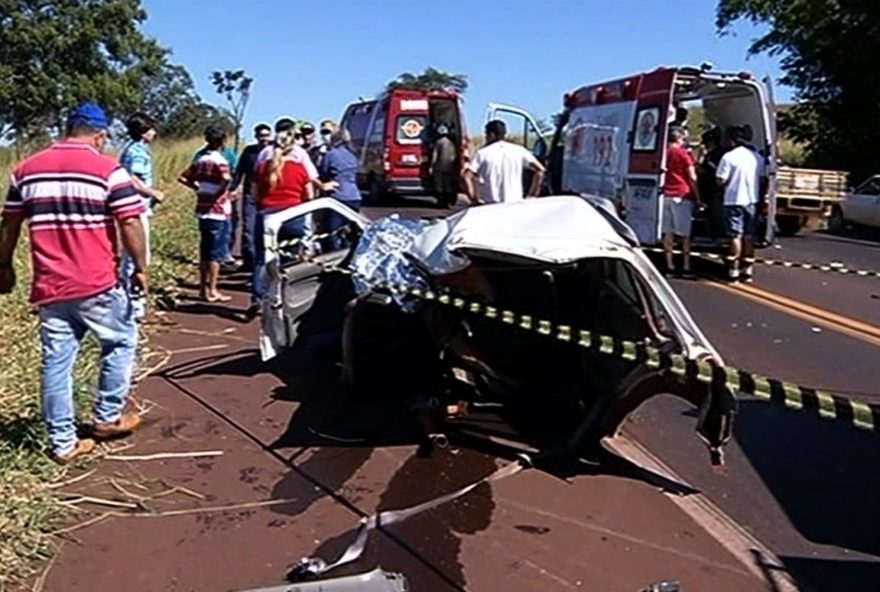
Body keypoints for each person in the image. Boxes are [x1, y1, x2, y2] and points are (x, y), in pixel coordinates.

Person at [0, 102, 147, 464]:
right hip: (96, 281)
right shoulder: (109, 170)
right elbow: (129, 223)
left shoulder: (24, 171)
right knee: (120, 341)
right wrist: (141, 266)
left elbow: (10, 224)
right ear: (99, 135)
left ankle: (62, 443)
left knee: (56, 362)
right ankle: (107, 416)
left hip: (51, 284)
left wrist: (3, 265)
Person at [247, 122, 336, 319]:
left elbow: (253, 193)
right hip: (292, 214)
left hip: (268, 214)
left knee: (262, 259)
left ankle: (258, 297)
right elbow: (309, 193)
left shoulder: (263, 164)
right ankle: (286, 299)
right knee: (291, 260)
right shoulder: (299, 165)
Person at [178, 125, 234, 302]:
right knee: (216, 254)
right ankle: (213, 289)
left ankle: (203, 288)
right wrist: (221, 192)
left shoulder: (200, 159)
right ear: (222, 141)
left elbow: (182, 177)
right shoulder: (220, 160)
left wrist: (199, 189)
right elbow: (226, 178)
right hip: (217, 210)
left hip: (202, 209)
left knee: (205, 251)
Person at [118, 112, 164, 318]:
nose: (154, 133)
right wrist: (153, 193)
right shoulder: (137, 152)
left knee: (132, 254)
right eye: (151, 129)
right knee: (138, 255)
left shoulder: (134, 149)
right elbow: (133, 179)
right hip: (137, 207)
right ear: (143, 131)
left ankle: (129, 298)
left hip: (137, 206)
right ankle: (133, 302)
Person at [717, 125, 765, 283]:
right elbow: (762, 177)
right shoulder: (757, 157)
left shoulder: (728, 157)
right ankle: (748, 271)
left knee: (734, 236)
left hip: (733, 200)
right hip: (752, 200)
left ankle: (733, 271)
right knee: (749, 236)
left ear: (731, 141)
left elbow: (721, 180)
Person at [463, 120, 546, 205]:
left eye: (486, 135)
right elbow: (540, 170)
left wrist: (474, 200)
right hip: (514, 204)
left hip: (489, 205)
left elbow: (467, 176)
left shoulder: (482, 153)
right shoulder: (519, 150)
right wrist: (532, 195)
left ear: (491, 135)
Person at [230, 123, 272, 272]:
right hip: (250, 194)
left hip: (268, 195)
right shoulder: (249, 152)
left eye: (267, 135)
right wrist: (233, 188)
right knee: (248, 228)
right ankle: (249, 261)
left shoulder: (275, 151)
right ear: (256, 137)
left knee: (266, 228)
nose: (264, 139)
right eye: (261, 136)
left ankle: (265, 262)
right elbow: (240, 171)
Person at [661, 127, 701, 277]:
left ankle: (669, 264)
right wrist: (698, 197)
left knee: (668, 232)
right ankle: (685, 266)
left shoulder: (663, 153)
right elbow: (692, 177)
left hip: (665, 195)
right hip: (682, 194)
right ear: (679, 139)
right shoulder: (684, 154)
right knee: (685, 234)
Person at [319, 128, 360, 248]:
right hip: (354, 196)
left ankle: (333, 256)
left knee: (332, 232)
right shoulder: (352, 155)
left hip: (338, 195)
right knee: (351, 231)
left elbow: (323, 172)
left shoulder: (331, 154)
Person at [697, 127, 727, 239]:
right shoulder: (710, 154)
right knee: (711, 212)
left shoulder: (719, 154)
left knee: (716, 213)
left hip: (716, 189)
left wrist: (704, 166)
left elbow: (715, 170)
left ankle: (717, 233)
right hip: (708, 188)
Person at [430, 124, 458, 208]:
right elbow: (454, 155)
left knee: (439, 185)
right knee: (448, 185)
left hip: (439, 167)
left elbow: (434, 156)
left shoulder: (438, 142)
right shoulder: (451, 143)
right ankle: (448, 202)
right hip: (450, 167)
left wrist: (431, 166)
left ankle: (441, 202)